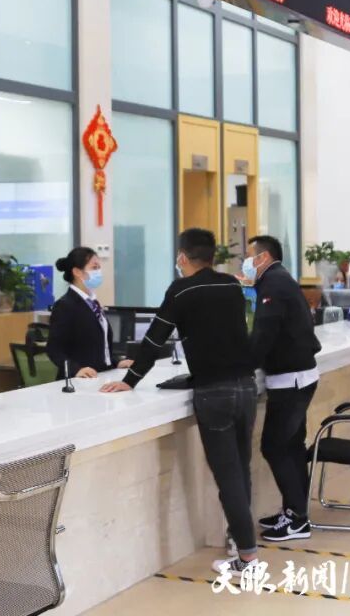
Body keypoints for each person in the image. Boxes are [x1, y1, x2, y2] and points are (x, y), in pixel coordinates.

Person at [100, 229, 259, 576]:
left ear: (183, 257)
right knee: (241, 468)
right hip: (247, 387)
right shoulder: (232, 286)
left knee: (228, 475)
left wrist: (130, 380)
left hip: (214, 391)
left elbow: (154, 339)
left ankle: (247, 559)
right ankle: (238, 542)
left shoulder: (181, 290)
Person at [244, 235, 322, 542]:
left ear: (263, 257)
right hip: (298, 375)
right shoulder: (278, 280)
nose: (245, 262)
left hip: (291, 379)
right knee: (291, 446)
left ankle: (298, 519)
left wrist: (242, 364)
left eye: (249, 256)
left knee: (275, 446)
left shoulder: (274, 284)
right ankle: (295, 510)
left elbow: (264, 333)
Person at [47, 247, 132, 380]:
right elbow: (54, 349)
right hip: (78, 381)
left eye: (99, 267)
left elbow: (100, 346)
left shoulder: (93, 302)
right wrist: (76, 369)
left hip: (100, 376)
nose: (98, 272)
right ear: (77, 272)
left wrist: (116, 362)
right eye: (94, 267)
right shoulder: (65, 305)